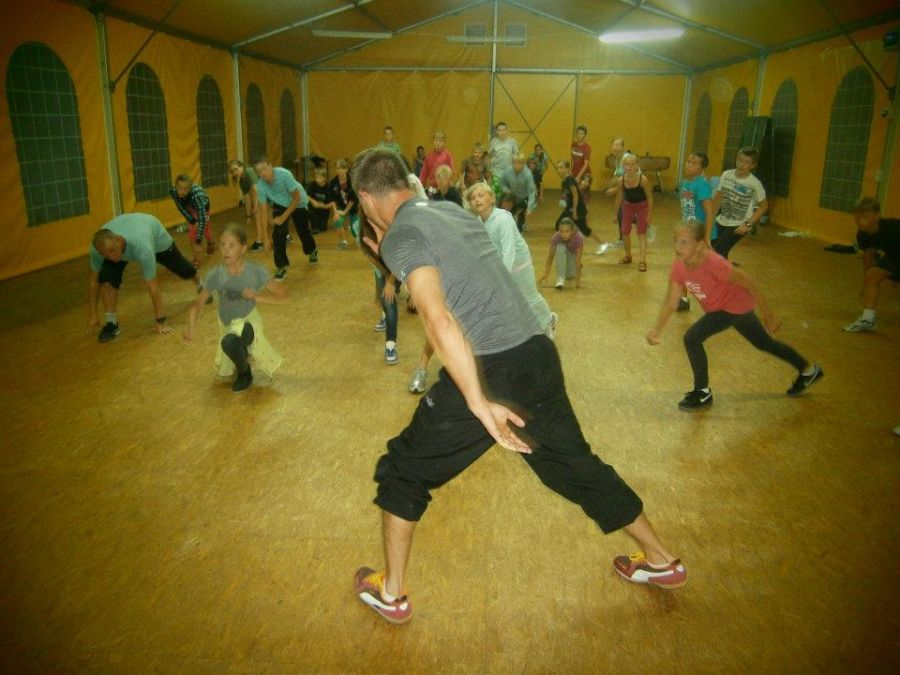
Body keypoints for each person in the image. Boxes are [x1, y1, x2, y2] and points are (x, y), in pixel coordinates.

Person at [350, 148, 686, 625]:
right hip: (536, 351)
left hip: (493, 369)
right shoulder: (451, 212)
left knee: (402, 470)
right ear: (406, 181)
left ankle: (392, 593)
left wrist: (479, 403)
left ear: (366, 197)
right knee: (573, 466)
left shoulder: (403, 235)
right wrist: (393, 248)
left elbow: (437, 317)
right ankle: (661, 559)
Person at [646, 220, 823, 411]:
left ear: (699, 245)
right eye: (676, 241)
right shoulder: (679, 267)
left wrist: (769, 315)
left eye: (684, 242)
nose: (678, 247)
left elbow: (750, 282)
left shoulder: (714, 263)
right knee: (764, 343)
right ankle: (808, 371)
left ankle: (702, 392)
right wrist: (657, 330)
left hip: (732, 307)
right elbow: (671, 301)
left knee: (692, 338)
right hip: (732, 308)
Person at [183, 223, 285, 392]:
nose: (226, 250)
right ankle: (243, 354)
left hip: (249, 322)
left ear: (243, 248)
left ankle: (245, 373)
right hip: (227, 325)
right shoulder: (216, 275)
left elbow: (282, 296)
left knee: (230, 341)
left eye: (232, 245)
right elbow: (198, 305)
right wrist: (190, 326)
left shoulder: (255, 271)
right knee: (230, 340)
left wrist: (256, 296)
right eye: (223, 245)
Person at [86, 213, 200, 343]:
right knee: (107, 281)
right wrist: (93, 314)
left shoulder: (142, 246)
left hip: (155, 237)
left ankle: (202, 286)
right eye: (106, 255)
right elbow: (94, 281)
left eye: (112, 251)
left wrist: (161, 321)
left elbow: (153, 286)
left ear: (118, 239)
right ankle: (111, 324)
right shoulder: (99, 249)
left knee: (184, 269)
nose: (111, 257)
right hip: (130, 231)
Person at [466, 181, 556, 337]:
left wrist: (502, 277)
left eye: (481, 195)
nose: (477, 200)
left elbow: (509, 251)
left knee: (530, 299)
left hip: (519, 265)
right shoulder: (479, 222)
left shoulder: (503, 219)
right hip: (500, 267)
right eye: (473, 198)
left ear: (492, 199)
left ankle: (549, 320)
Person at [253, 156, 318, 279]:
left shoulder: (284, 175)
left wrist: (283, 217)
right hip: (280, 204)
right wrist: (265, 238)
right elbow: (263, 213)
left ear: (270, 165)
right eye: (259, 171)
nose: (263, 173)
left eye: (264, 169)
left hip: (298, 202)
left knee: (303, 231)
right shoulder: (261, 185)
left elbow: (297, 198)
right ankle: (281, 266)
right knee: (278, 233)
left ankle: (312, 250)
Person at [843, 197, 900, 332]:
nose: (860, 221)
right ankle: (868, 320)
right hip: (894, 255)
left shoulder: (894, 230)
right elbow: (868, 255)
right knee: (872, 276)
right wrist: (866, 282)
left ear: (876, 216)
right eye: (857, 218)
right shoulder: (862, 235)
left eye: (864, 217)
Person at [677, 151, 716, 312]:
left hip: (700, 235)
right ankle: (682, 299)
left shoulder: (701, 185)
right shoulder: (684, 183)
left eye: (694, 163)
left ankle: (716, 299)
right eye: (688, 161)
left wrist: (706, 238)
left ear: (701, 168)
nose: (689, 165)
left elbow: (710, 211)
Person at [712, 146, 768, 259]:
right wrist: (712, 214)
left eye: (747, 162)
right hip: (721, 220)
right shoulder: (726, 175)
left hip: (738, 224)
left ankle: (719, 269)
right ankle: (725, 268)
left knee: (719, 251)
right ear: (736, 160)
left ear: (753, 165)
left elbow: (764, 206)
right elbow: (720, 194)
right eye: (740, 160)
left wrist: (748, 224)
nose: (742, 164)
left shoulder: (754, 183)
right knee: (714, 249)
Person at [613, 153, 653, 271]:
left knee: (641, 232)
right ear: (623, 166)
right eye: (627, 164)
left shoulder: (643, 180)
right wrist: (615, 214)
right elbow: (619, 197)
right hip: (628, 206)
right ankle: (628, 256)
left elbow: (650, 198)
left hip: (642, 206)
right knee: (624, 231)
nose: (630, 167)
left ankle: (642, 261)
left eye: (633, 164)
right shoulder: (621, 180)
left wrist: (649, 215)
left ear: (637, 166)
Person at [555, 160, 605, 253]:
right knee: (559, 224)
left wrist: (574, 210)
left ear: (567, 169)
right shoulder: (567, 180)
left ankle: (602, 244)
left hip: (578, 209)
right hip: (569, 208)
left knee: (585, 229)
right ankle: (567, 244)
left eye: (561, 167)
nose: (559, 170)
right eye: (558, 168)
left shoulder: (569, 180)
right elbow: (575, 190)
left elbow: (576, 195)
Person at [168, 175, 214, 268]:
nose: (182, 191)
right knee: (193, 232)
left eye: (185, 189)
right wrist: (192, 221)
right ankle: (196, 260)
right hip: (190, 207)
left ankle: (210, 241)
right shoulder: (173, 191)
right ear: (176, 186)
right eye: (180, 188)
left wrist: (198, 240)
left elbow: (202, 219)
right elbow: (181, 207)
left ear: (190, 188)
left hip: (203, 208)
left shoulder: (198, 196)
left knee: (205, 228)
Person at [228, 160, 265, 251]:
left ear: (242, 167)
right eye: (232, 171)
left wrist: (255, 207)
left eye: (236, 169)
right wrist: (248, 215)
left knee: (259, 217)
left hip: (266, 193)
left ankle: (259, 242)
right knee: (268, 217)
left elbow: (255, 190)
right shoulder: (241, 181)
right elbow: (247, 198)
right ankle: (286, 236)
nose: (235, 173)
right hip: (262, 194)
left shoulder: (249, 171)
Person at [539, 217, 583, 291]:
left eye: (566, 231)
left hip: (572, 256)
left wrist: (577, 282)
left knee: (569, 276)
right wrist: (546, 273)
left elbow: (578, 261)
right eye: (561, 231)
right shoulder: (556, 237)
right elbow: (550, 256)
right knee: (560, 246)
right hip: (562, 251)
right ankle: (560, 279)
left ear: (572, 231)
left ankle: (571, 270)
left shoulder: (578, 238)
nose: (563, 234)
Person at [499, 153, 537, 233]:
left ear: (523, 163)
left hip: (523, 198)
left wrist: (529, 208)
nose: (517, 165)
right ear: (512, 162)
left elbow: (531, 192)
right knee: (505, 211)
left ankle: (521, 225)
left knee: (520, 217)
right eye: (515, 162)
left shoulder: (528, 174)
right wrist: (507, 191)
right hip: (512, 196)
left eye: (520, 163)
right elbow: (502, 184)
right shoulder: (507, 171)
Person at [329, 159, 358, 249]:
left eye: (342, 168)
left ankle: (357, 237)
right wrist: (335, 212)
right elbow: (332, 200)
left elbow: (353, 200)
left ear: (346, 169)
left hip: (353, 207)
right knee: (337, 221)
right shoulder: (333, 182)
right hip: (341, 206)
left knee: (354, 229)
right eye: (338, 168)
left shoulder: (352, 181)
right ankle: (343, 241)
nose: (340, 170)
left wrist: (345, 212)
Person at [307, 167, 336, 235]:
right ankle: (315, 225)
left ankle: (319, 225)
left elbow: (332, 202)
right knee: (309, 208)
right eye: (316, 177)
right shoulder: (312, 184)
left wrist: (324, 206)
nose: (317, 179)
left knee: (323, 228)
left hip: (324, 210)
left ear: (324, 178)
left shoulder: (328, 187)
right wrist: (314, 202)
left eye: (320, 177)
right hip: (314, 208)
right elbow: (307, 196)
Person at [570, 125, 592, 202]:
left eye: (581, 133)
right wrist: (571, 171)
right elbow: (573, 159)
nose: (579, 135)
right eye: (578, 133)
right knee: (574, 193)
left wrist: (578, 176)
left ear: (585, 135)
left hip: (585, 174)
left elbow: (586, 164)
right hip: (574, 173)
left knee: (582, 194)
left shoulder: (587, 148)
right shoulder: (573, 145)